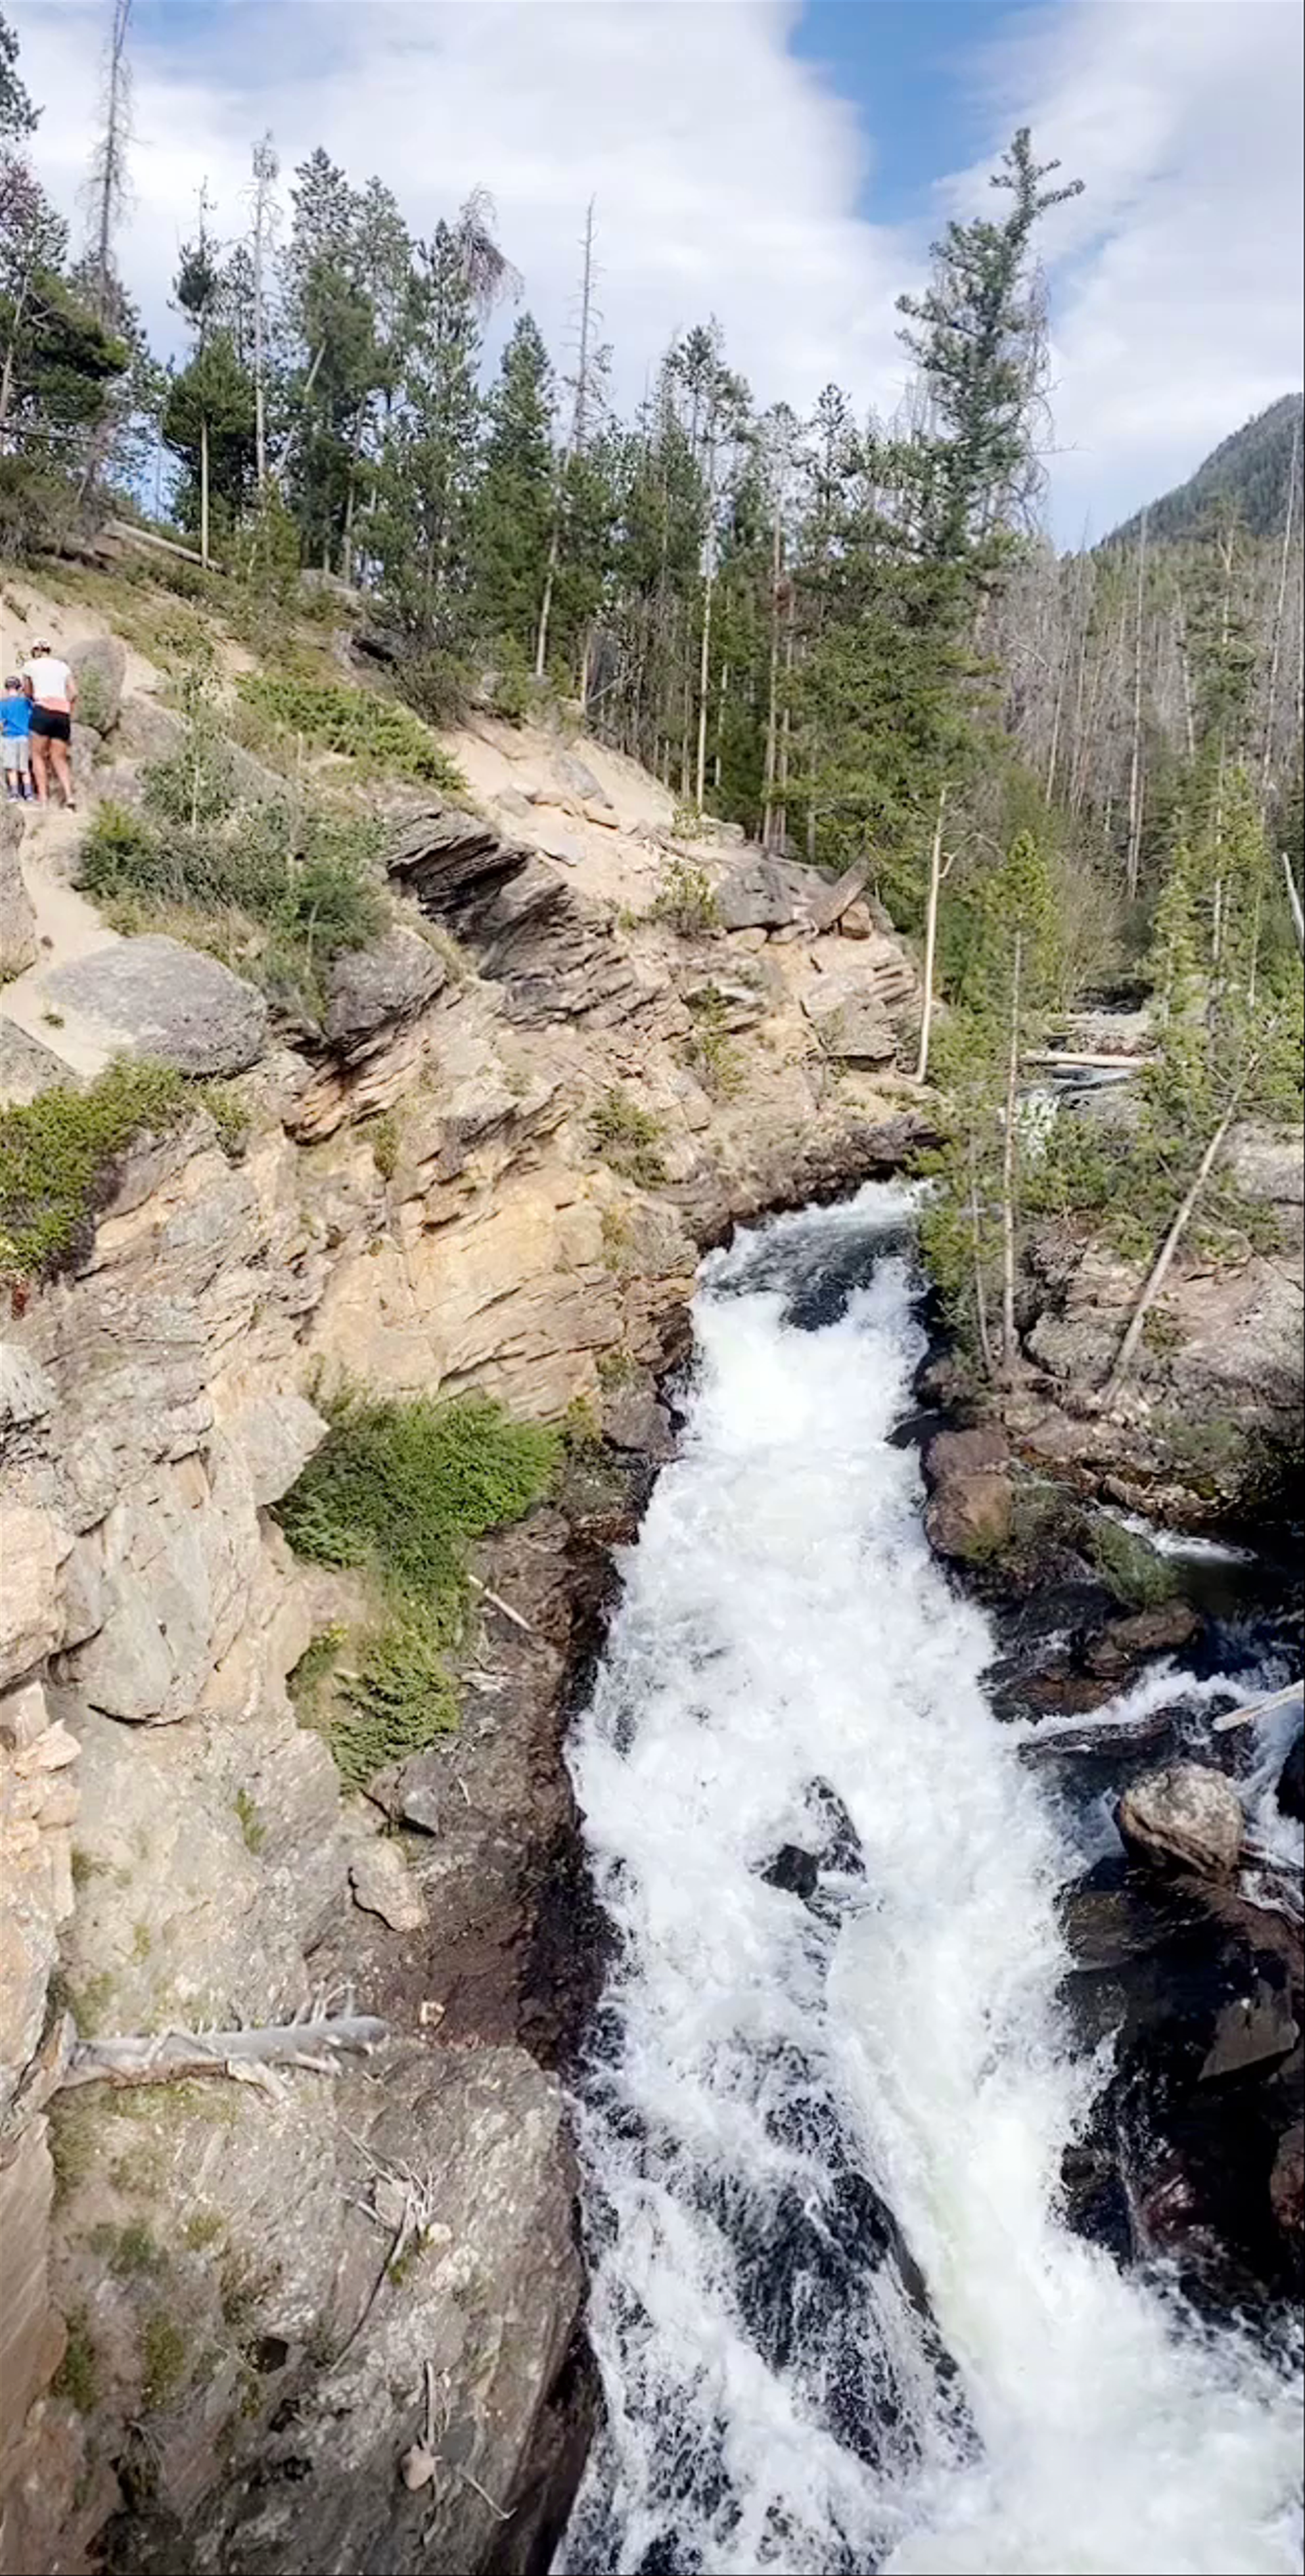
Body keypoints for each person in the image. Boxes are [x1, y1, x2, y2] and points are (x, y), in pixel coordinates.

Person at [22, 640, 78, 810]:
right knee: (59, 758)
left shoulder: (30, 666)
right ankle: (69, 797)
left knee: (38, 755)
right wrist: (67, 709)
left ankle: (44, 800)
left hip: (43, 710)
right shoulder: (63, 666)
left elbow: (28, 692)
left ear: (35, 651)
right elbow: (74, 692)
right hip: (62, 713)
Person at [1, 673, 33, 801]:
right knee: (25, 768)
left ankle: (14, 794)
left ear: (7, 688)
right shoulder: (26, 703)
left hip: (9, 737)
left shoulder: (3, 704)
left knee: (11, 768)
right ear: (19, 688)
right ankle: (28, 794)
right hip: (24, 737)